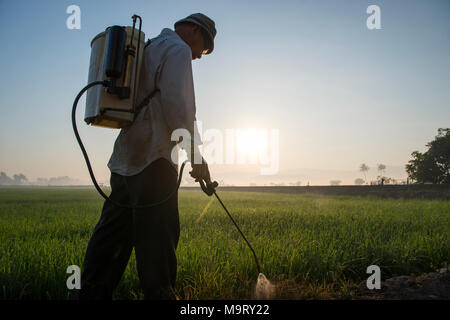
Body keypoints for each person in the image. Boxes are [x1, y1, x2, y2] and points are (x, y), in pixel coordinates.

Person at [77, 13, 217, 300]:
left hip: (125, 160)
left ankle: (90, 294)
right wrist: (196, 157)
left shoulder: (148, 47)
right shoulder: (176, 49)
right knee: (157, 242)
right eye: (203, 49)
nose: (199, 57)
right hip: (154, 161)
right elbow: (179, 107)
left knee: (111, 239)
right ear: (193, 30)